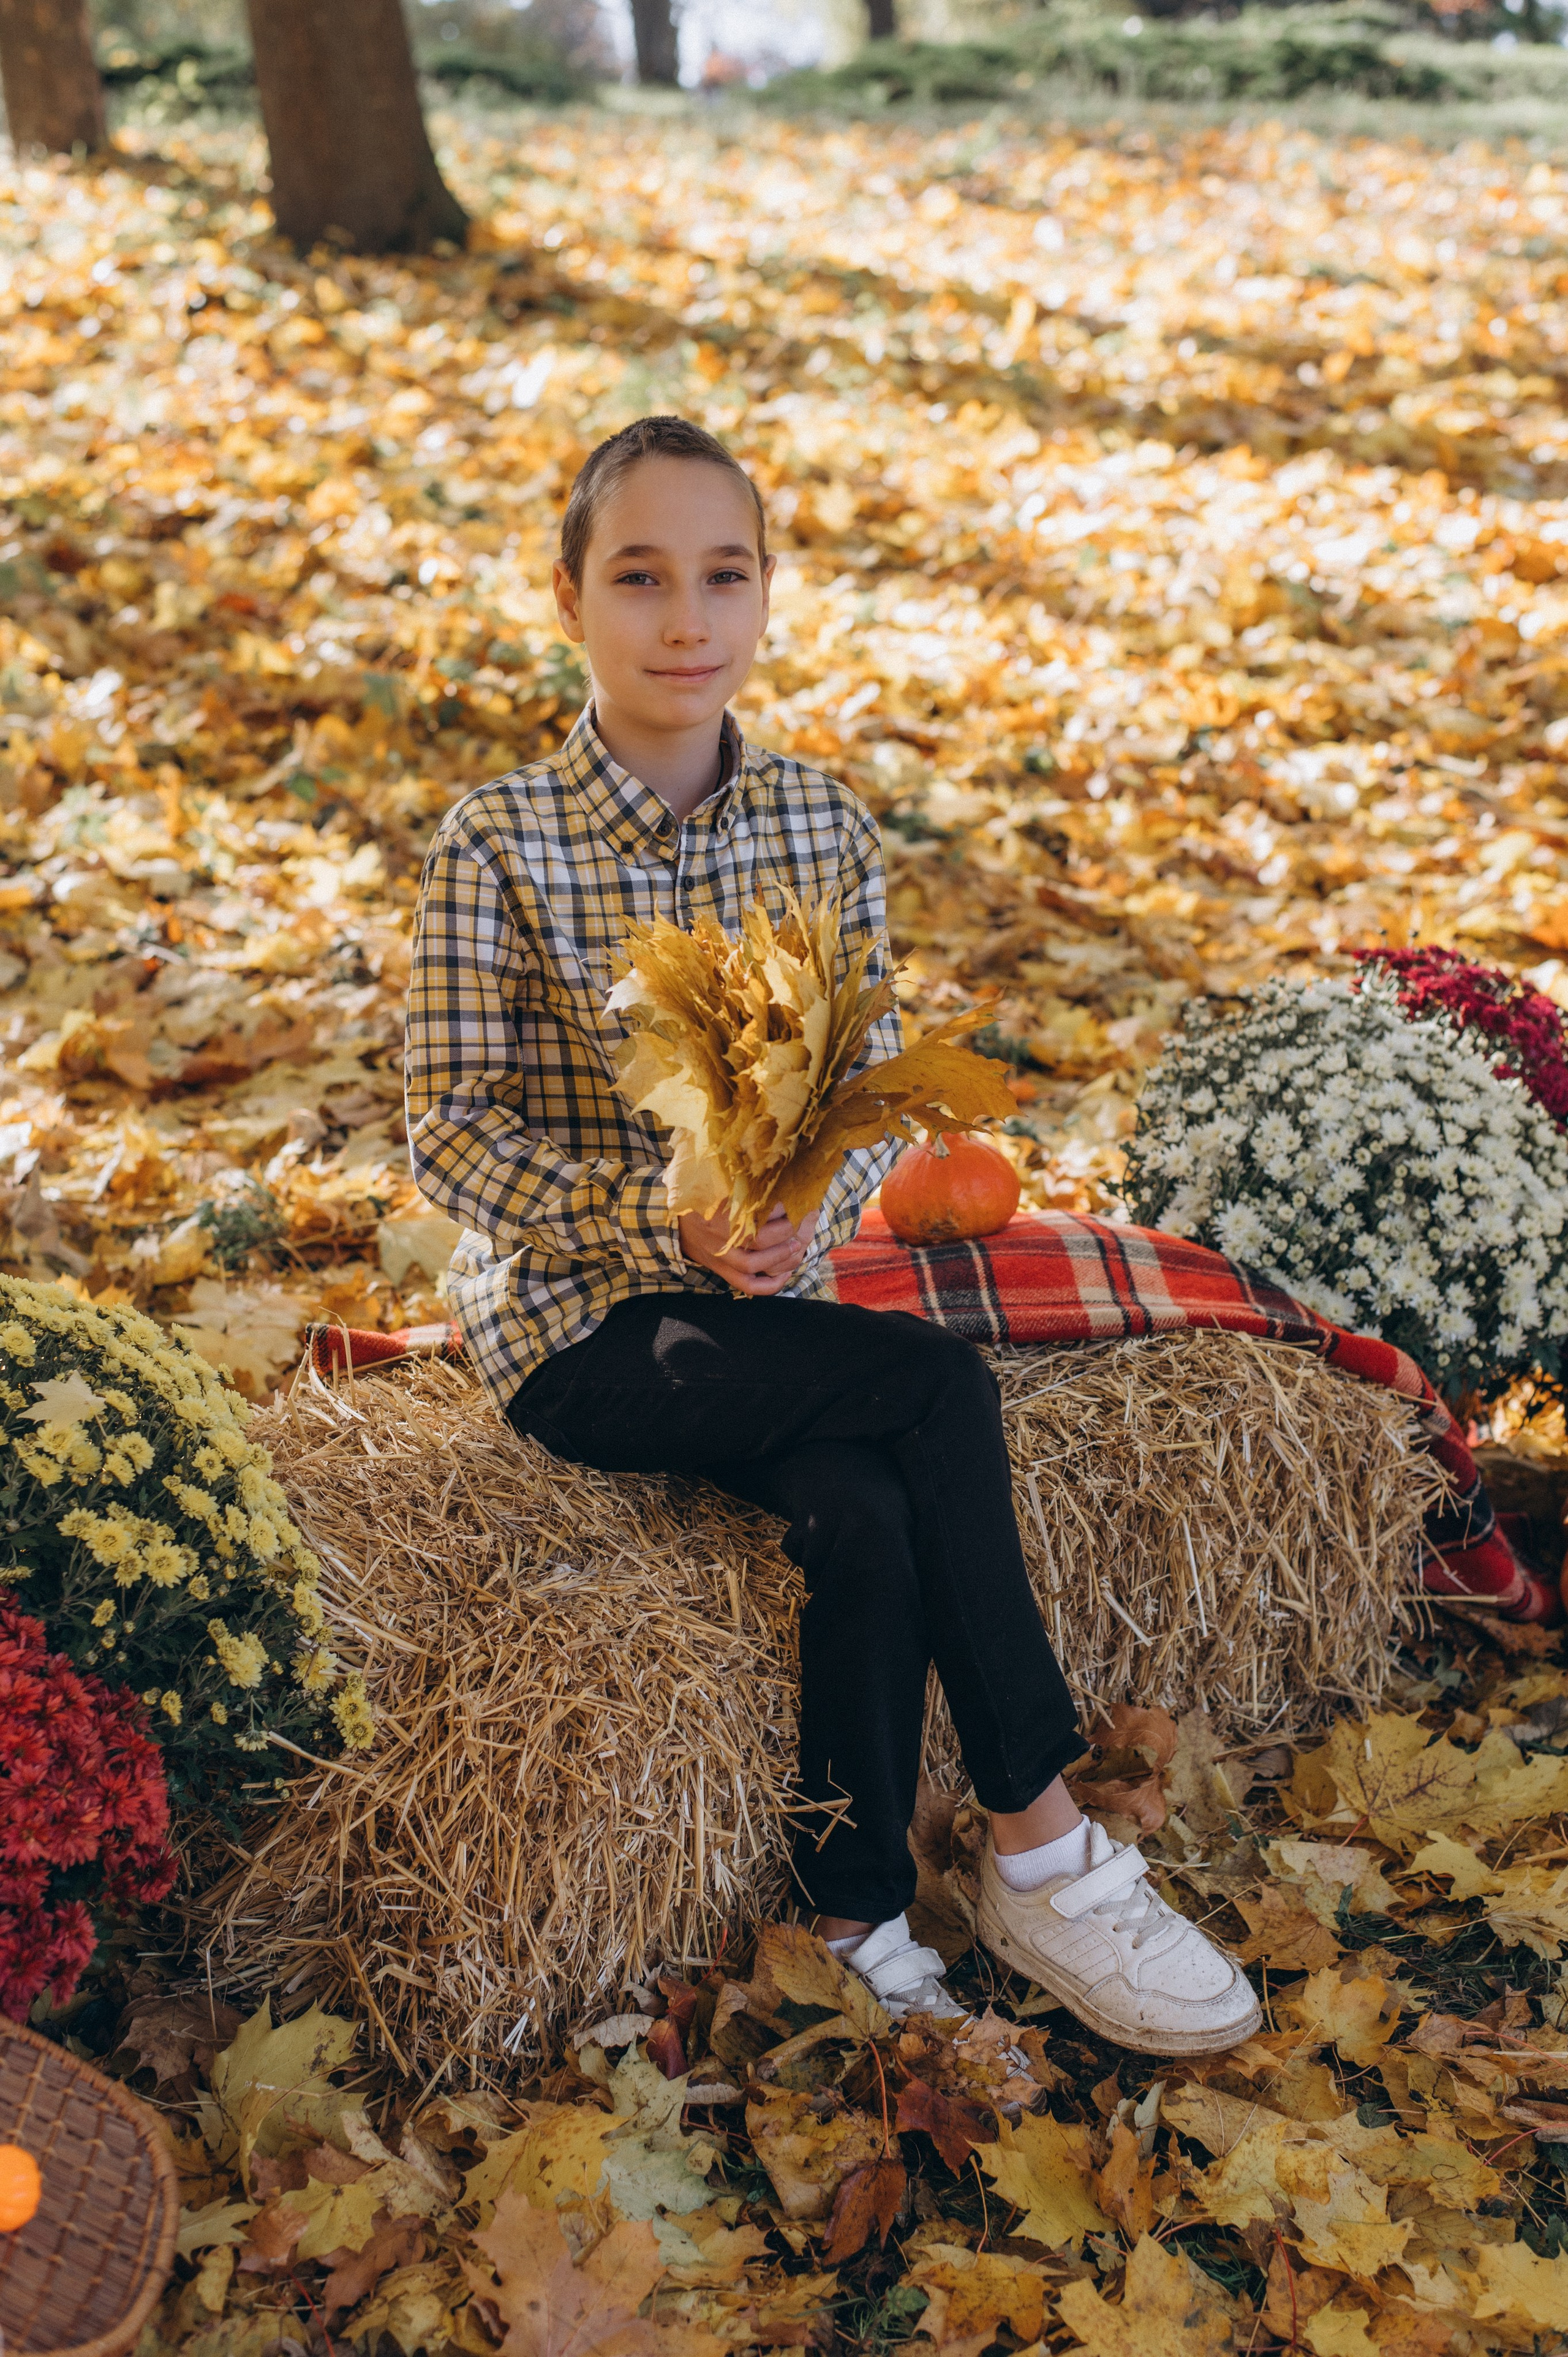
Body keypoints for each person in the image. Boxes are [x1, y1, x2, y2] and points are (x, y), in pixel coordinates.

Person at [404, 413, 1260, 2055]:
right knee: (935, 1394)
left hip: (758, 1318)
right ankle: (1044, 1842)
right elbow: (449, 1130)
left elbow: (863, 1107)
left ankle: (856, 1914)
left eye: (724, 576)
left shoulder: (823, 826)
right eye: (640, 577)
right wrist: (648, 1211)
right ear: (568, 593)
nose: (686, 619)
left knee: (866, 1510)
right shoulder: (498, 843)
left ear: (766, 593)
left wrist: (811, 1219)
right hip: (589, 1333)